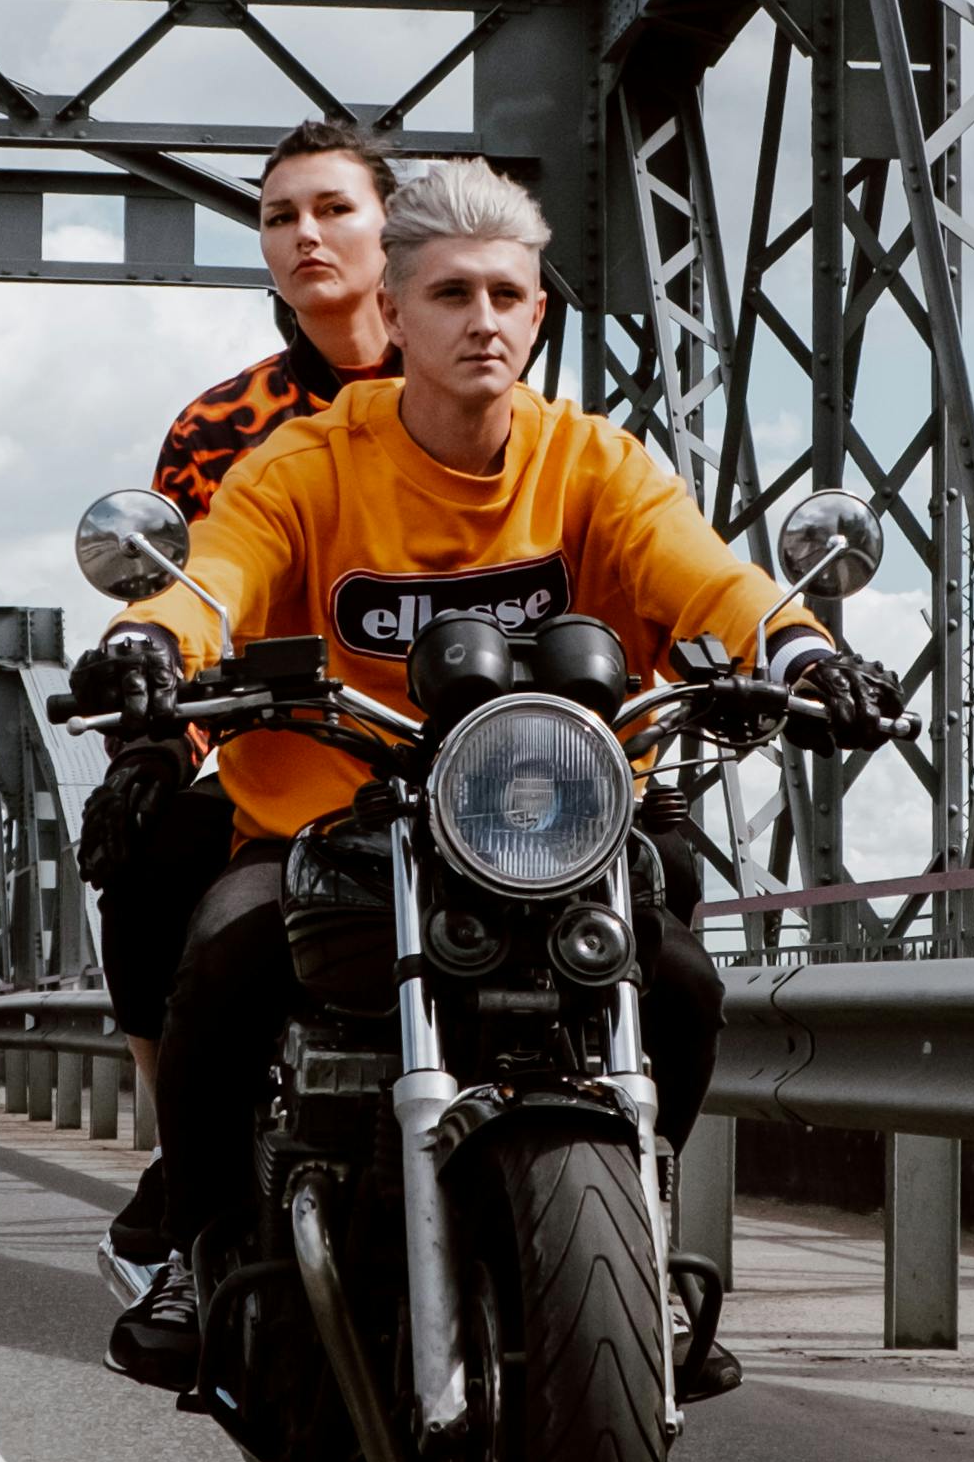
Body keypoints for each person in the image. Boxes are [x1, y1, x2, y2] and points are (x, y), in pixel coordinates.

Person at [75, 153, 883, 1395]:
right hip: (338, 822)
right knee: (225, 960)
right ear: (392, 317)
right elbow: (217, 577)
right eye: (450, 295)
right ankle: (199, 1242)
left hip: (540, 825)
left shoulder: (593, 464)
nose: (483, 322)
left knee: (680, 986)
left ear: (539, 314)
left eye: (506, 295)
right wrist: (149, 645)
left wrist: (801, 645)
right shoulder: (304, 462)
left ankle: (637, 1241)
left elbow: (703, 571)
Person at [86, 119, 399, 1267]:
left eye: (331, 208)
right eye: (280, 217)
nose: (306, 234)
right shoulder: (221, 425)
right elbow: (194, 587)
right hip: (285, 743)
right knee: (152, 852)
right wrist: (153, 741)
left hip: (466, 755)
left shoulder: (475, 383)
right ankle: (187, 1166)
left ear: (391, 227)